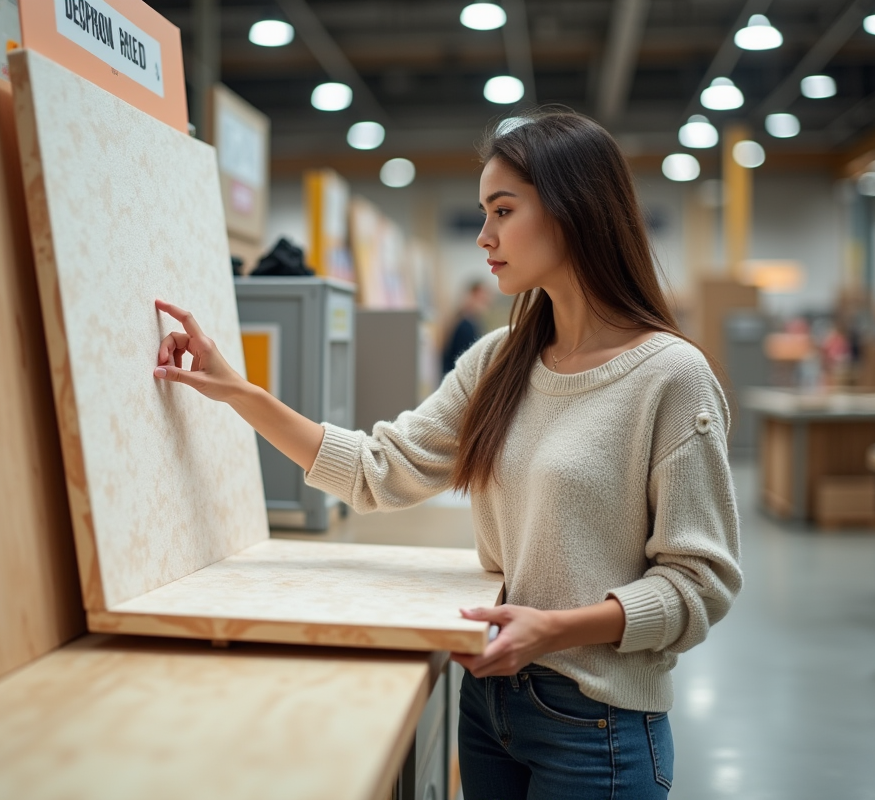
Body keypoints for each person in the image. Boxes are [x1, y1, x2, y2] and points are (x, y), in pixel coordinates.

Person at [151, 110, 742, 800]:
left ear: (574, 210)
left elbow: (701, 583)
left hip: (597, 725)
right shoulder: (497, 361)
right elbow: (380, 468)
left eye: (503, 210)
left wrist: (554, 631)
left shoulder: (671, 377)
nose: (485, 237)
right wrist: (237, 391)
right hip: (488, 705)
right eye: (483, 212)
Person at [443, 281, 493, 374]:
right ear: (472, 297)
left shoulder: (474, 323)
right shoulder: (464, 326)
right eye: (482, 298)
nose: (486, 301)